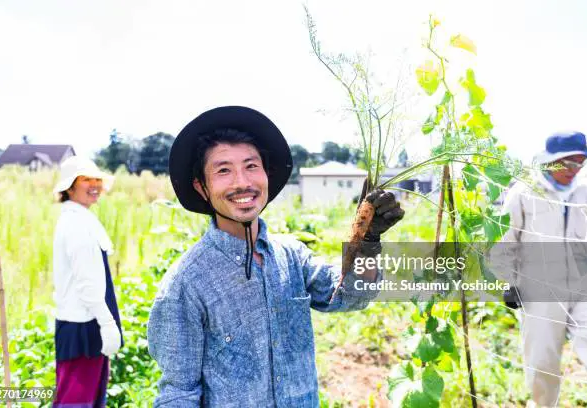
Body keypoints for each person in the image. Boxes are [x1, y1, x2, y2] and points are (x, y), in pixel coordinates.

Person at [147, 106, 405, 407]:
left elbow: (350, 296)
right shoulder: (186, 283)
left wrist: (369, 241)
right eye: (223, 170)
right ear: (201, 188)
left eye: (251, 166)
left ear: (266, 173)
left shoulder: (291, 256)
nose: (242, 182)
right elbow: (178, 393)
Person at [495, 131, 587, 407]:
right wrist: (509, 281)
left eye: (580, 163)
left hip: (583, 283)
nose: (575, 170)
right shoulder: (524, 193)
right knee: (542, 361)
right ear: (552, 161)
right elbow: (506, 239)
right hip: (539, 287)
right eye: (569, 163)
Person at [52, 156, 123, 408]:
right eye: (85, 179)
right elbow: (87, 284)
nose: (94, 184)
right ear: (70, 187)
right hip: (83, 326)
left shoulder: (81, 218)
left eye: (97, 179)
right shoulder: (76, 224)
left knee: (88, 400)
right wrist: (108, 323)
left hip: (85, 324)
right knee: (75, 401)